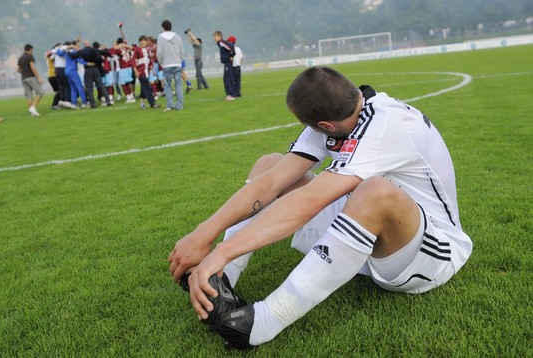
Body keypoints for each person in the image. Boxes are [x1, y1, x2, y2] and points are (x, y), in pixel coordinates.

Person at [169, 67, 473, 349]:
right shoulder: (344, 116)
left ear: (326, 125)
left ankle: (263, 322)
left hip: (427, 253)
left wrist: (222, 250)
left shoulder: (385, 125)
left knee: (375, 191)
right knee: (270, 164)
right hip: (372, 239)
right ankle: (221, 282)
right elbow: (272, 182)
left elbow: (310, 201)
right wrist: (203, 234)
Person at [69, 41, 113, 108]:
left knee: (89, 88)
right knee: (101, 86)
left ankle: (93, 103)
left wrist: (67, 52)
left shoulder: (82, 51)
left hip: (88, 70)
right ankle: (108, 101)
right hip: (96, 69)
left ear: (84, 45)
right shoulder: (95, 50)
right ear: (89, 44)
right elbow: (104, 53)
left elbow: (73, 56)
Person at [157, 19, 185, 112]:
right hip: (177, 63)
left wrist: (161, 62)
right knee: (178, 85)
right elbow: (182, 52)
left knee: (168, 86)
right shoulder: (178, 37)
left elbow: (159, 52)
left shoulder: (160, 37)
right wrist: (180, 60)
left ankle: (170, 105)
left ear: (163, 27)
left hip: (167, 64)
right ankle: (179, 105)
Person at [132, 35, 161, 110]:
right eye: (142, 41)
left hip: (147, 72)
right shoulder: (137, 50)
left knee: (144, 88)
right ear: (139, 42)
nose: (143, 42)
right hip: (141, 72)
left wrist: (153, 70)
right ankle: (153, 103)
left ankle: (142, 104)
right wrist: (136, 71)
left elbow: (149, 61)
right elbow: (133, 60)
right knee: (148, 88)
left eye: (145, 41)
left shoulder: (148, 50)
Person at [17, 44, 44, 116]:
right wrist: (38, 78)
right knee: (40, 92)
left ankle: (32, 112)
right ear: (30, 49)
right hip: (31, 77)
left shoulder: (21, 58)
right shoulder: (30, 56)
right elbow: (33, 67)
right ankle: (33, 107)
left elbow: (18, 69)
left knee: (28, 95)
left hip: (24, 78)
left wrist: (24, 72)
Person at [45, 44, 61, 110]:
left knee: (59, 91)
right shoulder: (52, 56)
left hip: (51, 75)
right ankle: (54, 104)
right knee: (59, 91)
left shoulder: (51, 56)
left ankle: (58, 103)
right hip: (53, 75)